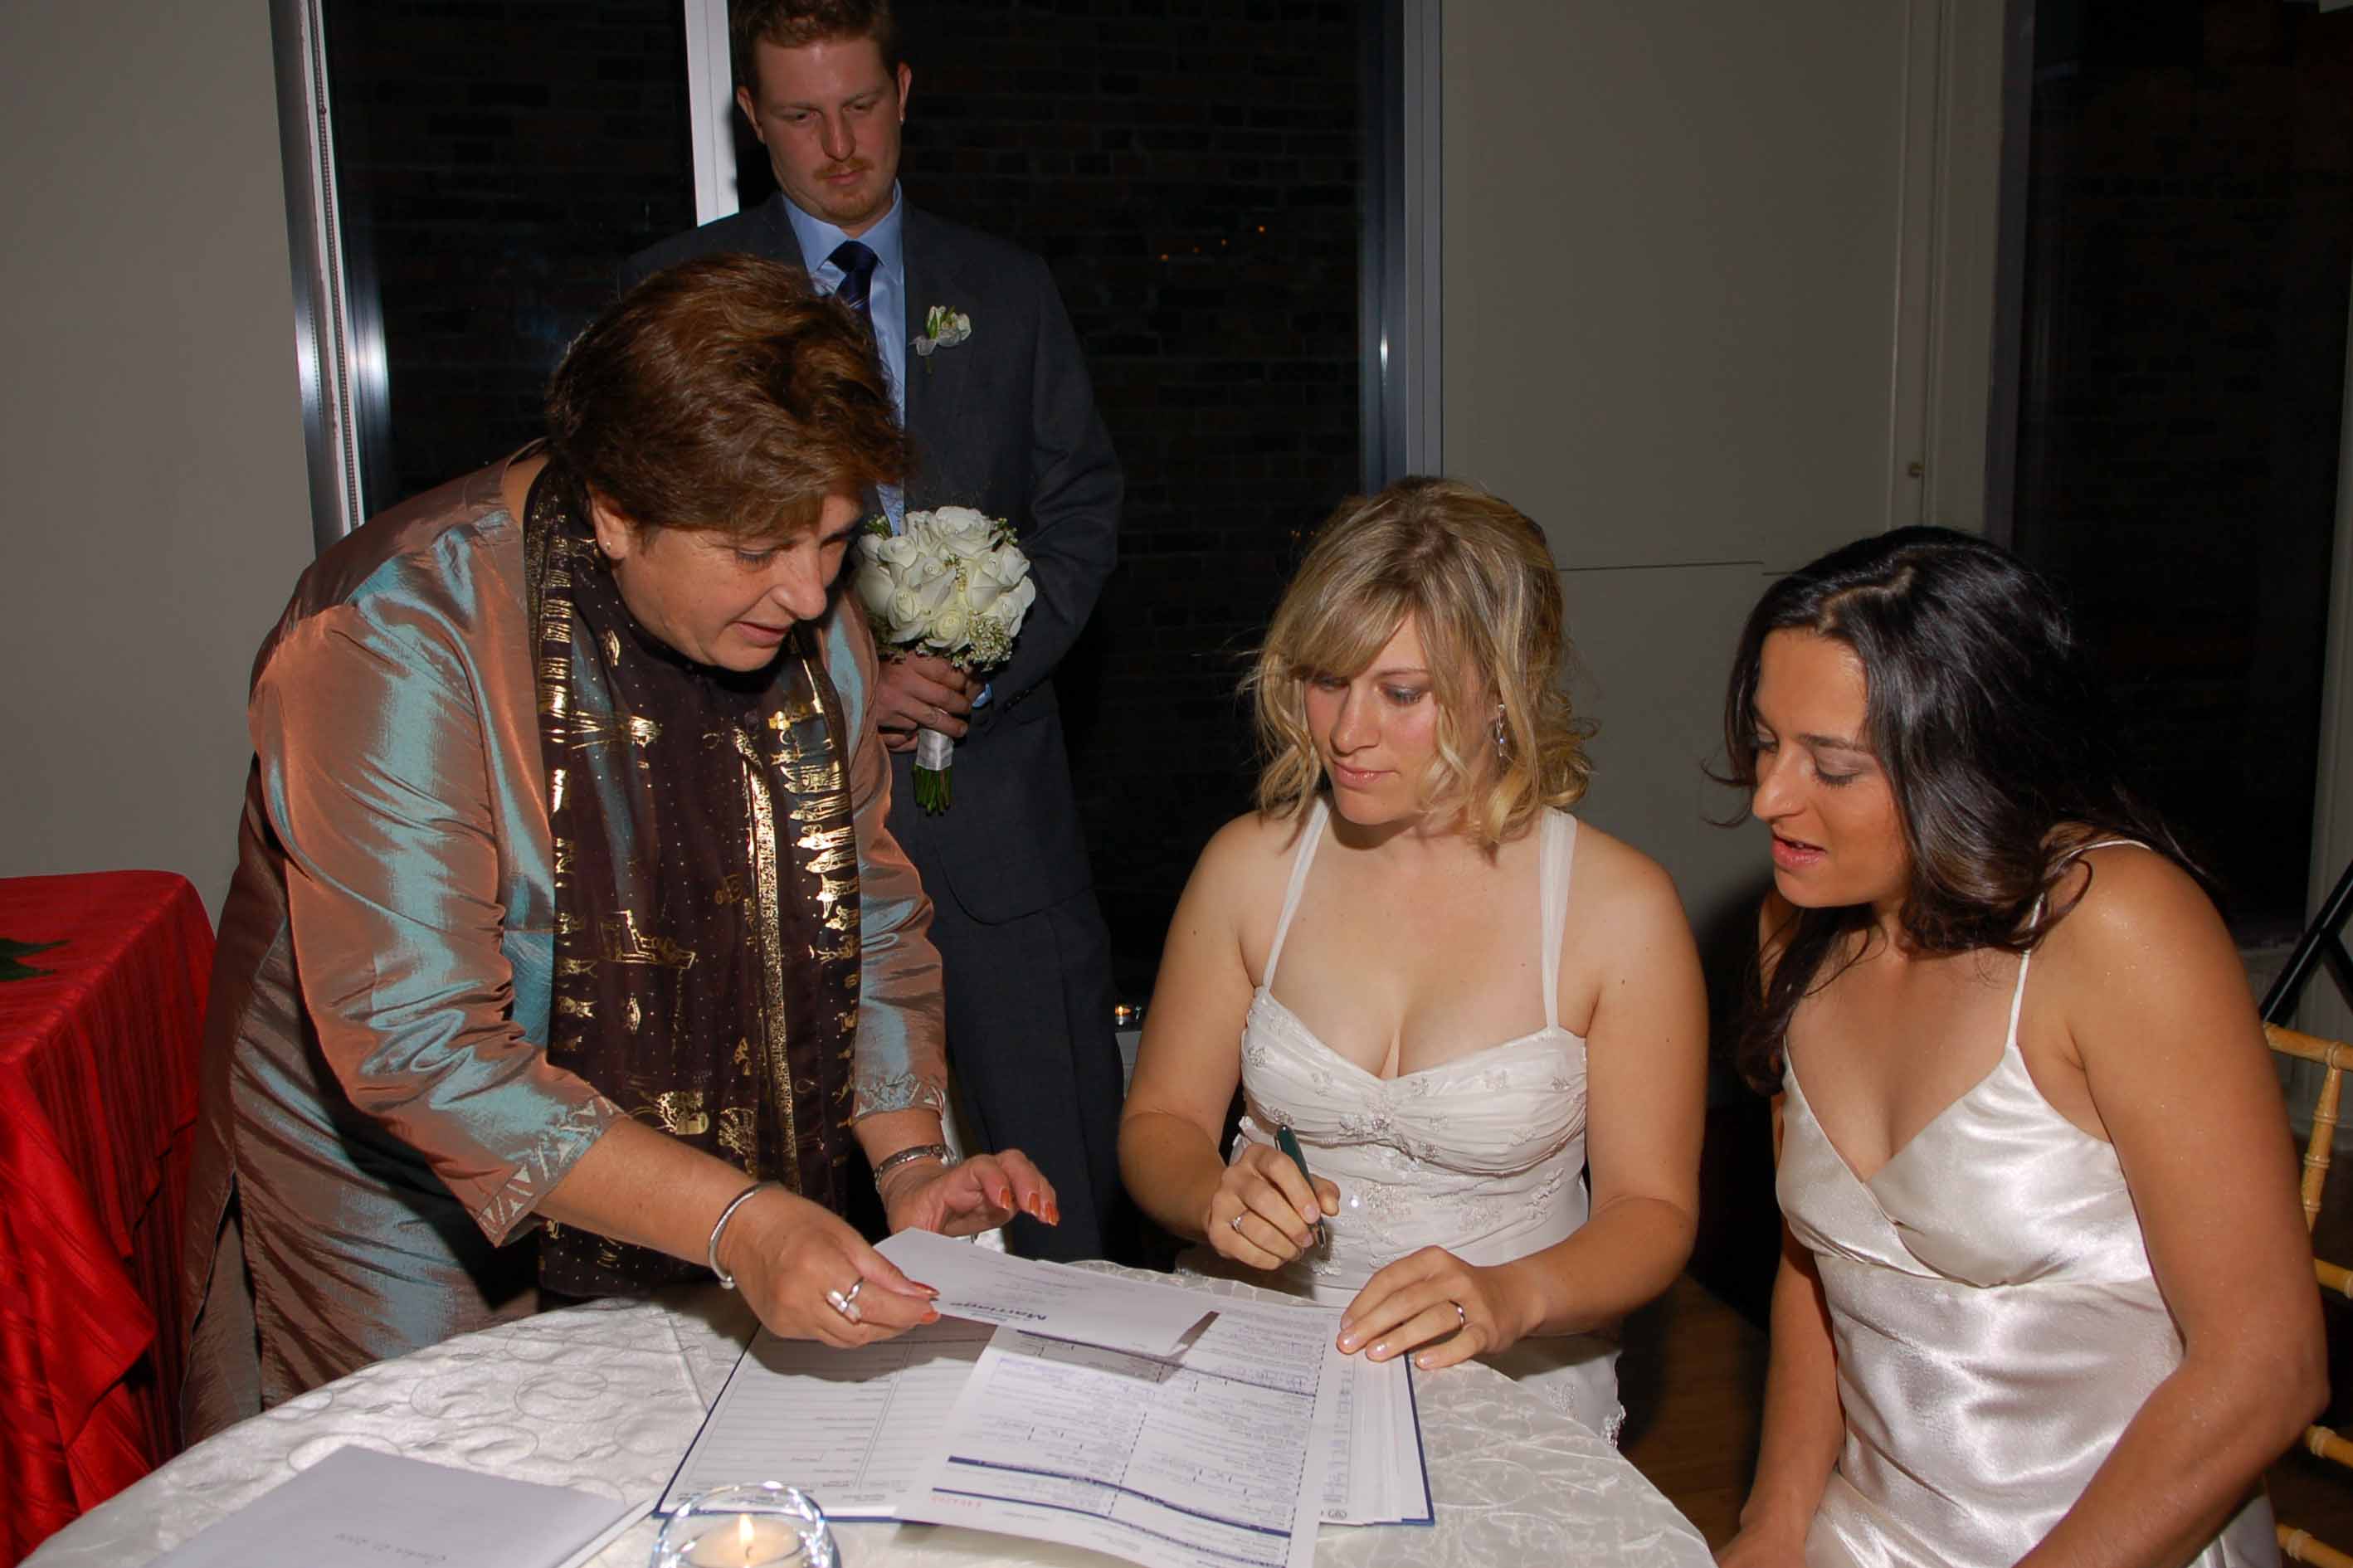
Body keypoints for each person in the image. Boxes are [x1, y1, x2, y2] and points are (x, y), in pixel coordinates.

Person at [179, 256, 1058, 1441]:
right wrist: (738, 1221)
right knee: (451, 1474)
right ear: (614, 511)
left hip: (703, 1160)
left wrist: (907, 1165)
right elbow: (422, 1047)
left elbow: (874, 919)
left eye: (834, 539)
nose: (810, 596)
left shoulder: (817, 631)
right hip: (402, 1179)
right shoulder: (391, 641)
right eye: (757, 549)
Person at [621, 0, 1125, 1264]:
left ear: (903, 92)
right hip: (769, 818)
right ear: (751, 117)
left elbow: (1081, 507)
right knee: (785, 1201)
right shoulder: (680, 295)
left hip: (996, 815)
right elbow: (647, 559)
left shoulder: (1005, 287)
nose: (838, 144)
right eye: (802, 115)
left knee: (1056, 1183)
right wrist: (848, 682)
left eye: (859, 106)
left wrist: (973, 669)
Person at [1714, 527, 2324, 1568]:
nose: (1770, 795)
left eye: (1833, 766)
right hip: (1866, 1534)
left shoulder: (2117, 926)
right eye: (1766, 743)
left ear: (1971, 760)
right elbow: (1813, 1268)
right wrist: (1771, 1528)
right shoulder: (1797, 927)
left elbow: (2267, 1369)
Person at [1117, 477, 1707, 1440]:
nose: (1347, 733)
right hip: (1266, 1343)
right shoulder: (1247, 868)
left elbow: (1651, 1212)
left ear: (1503, 687)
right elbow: (1162, 1121)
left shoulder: (1617, 909)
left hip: (1511, 1365)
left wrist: (1513, 1296)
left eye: (1400, 694)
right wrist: (1208, 1193)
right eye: (1326, 679)